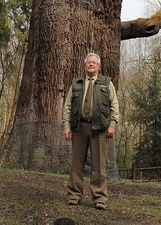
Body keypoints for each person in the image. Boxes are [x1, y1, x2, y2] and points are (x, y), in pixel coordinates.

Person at [63, 52, 119, 210]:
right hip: (79, 128)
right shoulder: (76, 83)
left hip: (99, 129)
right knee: (77, 164)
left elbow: (114, 105)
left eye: (94, 62)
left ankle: (99, 198)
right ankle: (74, 195)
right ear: (85, 65)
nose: (91, 64)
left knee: (98, 165)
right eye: (89, 62)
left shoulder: (106, 83)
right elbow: (67, 106)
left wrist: (112, 125)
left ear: (99, 66)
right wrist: (66, 126)